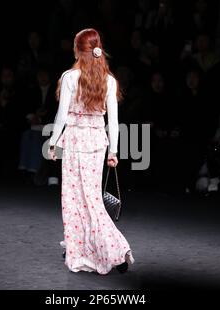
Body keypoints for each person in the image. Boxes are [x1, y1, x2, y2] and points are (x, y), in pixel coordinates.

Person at [47, 28, 134, 275]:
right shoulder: (109, 80)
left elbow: (62, 115)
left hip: (75, 141)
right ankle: (84, 247)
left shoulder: (69, 77)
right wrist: (114, 151)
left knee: (76, 200)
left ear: (77, 49)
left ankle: (116, 248)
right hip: (97, 141)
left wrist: (53, 143)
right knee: (91, 198)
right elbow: (114, 123)